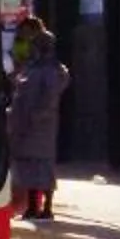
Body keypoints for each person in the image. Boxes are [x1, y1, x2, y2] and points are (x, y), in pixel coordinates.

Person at [6, 21, 71, 222]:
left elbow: (51, 95)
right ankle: (32, 206)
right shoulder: (31, 67)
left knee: (43, 165)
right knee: (28, 167)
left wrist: (39, 114)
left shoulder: (53, 70)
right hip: (24, 122)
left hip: (41, 125)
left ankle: (47, 207)